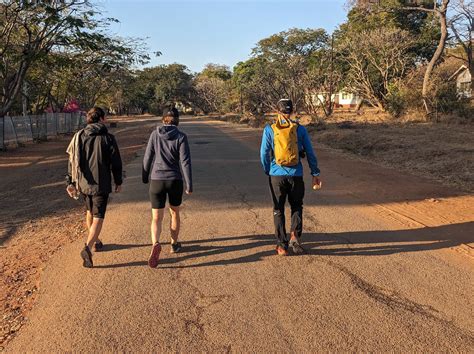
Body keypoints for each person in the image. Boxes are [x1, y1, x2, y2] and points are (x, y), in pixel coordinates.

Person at [260, 99, 321, 256]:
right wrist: (315, 173)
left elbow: (264, 154)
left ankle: (281, 245)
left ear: (277, 111)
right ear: (292, 111)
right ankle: (295, 236)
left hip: (276, 174)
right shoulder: (300, 129)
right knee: (296, 206)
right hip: (296, 175)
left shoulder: (270, 129)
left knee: (278, 209)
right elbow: (310, 153)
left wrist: (268, 170)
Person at [66, 107, 123, 268]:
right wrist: (118, 181)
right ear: (102, 119)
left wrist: (69, 182)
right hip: (101, 183)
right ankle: (88, 248)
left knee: (89, 212)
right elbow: (116, 163)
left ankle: (96, 241)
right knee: (98, 216)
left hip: (83, 183)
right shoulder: (108, 138)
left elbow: (72, 161)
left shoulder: (79, 137)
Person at [142, 106, 192, 268]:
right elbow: (185, 162)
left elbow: (148, 156)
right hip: (174, 180)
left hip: (156, 180)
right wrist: (189, 184)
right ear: (177, 120)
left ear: (163, 119)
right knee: (174, 213)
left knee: (156, 217)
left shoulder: (155, 134)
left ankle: (155, 243)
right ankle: (174, 244)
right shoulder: (181, 136)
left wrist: (145, 176)